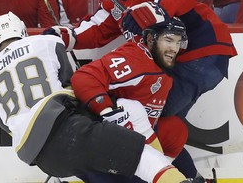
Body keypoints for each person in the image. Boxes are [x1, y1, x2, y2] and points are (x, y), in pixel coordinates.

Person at [0, 12, 195, 183]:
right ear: (23, 32)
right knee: (140, 155)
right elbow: (72, 82)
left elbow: (5, 125)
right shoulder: (44, 42)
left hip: (40, 157)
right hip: (66, 129)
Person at [71, 16, 202, 183]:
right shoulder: (135, 59)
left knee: (174, 130)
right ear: (150, 39)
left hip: (133, 137)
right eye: (168, 40)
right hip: (105, 143)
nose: (174, 48)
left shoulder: (158, 63)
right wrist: (108, 112)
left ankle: (191, 178)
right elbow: (84, 76)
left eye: (178, 42)